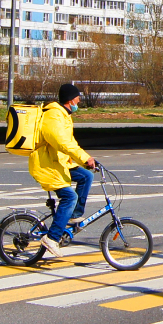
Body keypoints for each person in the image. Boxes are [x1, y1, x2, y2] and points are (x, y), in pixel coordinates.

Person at [28, 83, 97, 258]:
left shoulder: (64, 115)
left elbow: (71, 143)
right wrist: (83, 158)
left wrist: (86, 160)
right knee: (70, 197)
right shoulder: (53, 116)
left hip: (59, 163)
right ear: (70, 99)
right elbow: (61, 142)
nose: (79, 102)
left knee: (86, 175)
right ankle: (52, 238)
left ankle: (73, 216)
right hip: (46, 165)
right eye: (77, 98)